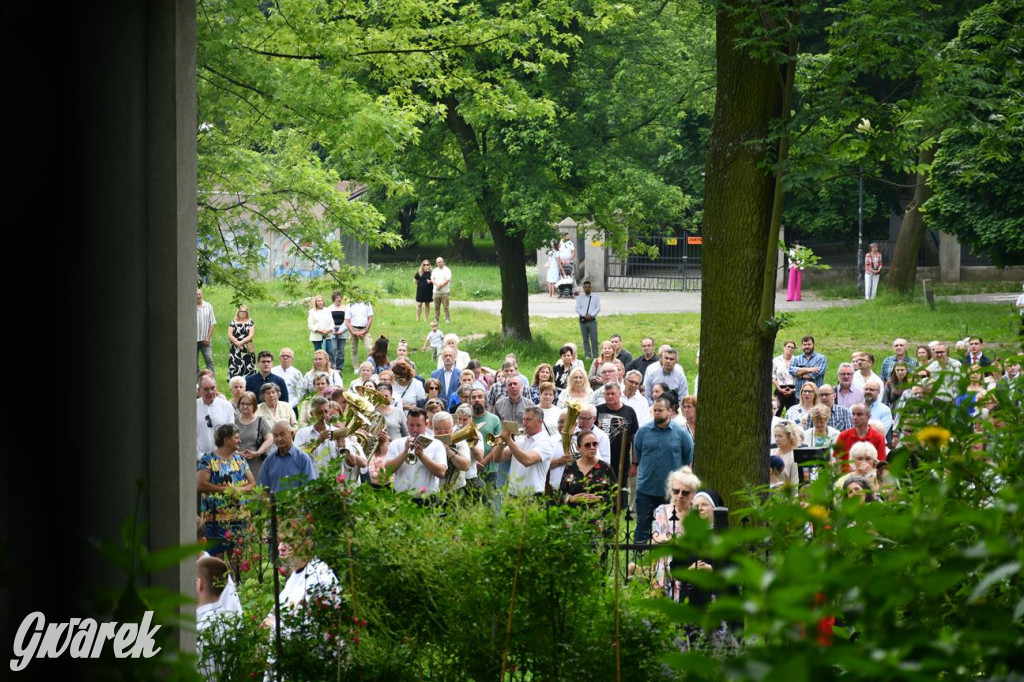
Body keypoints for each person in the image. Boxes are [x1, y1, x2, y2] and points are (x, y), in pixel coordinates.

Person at [633, 396, 693, 544]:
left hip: (670, 492)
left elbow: (688, 457)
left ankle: (665, 563)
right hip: (645, 488)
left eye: (660, 410)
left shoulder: (681, 433)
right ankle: (638, 560)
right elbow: (639, 453)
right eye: (655, 410)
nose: (657, 413)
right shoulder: (643, 432)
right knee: (642, 526)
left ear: (670, 411)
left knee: (669, 527)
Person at [197, 424, 256, 569]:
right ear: (226, 440)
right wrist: (225, 490)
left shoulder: (240, 460)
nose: (240, 440)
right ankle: (218, 586)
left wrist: (237, 490)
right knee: (216, 557)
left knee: (236, 555)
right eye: (236, 437)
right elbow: (200, 484)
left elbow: (253, 484)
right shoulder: (208, 459)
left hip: (238, 517)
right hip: (215, 518)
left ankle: (236, 585)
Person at [491, 406, 556, 497]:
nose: (524, 424)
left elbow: (528, 460)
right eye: (523, 419)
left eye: (528, 420)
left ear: (540, 421)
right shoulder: (520, 440)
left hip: (532, 496)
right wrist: (502, 442)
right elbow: (497, 459)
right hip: (512, 495)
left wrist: (509, 441)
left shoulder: (545, 442)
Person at [383, 407, 448, 499]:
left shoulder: (436, 444)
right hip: (402, 498)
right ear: (407, 424)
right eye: (411, 425)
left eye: (418, 425)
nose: (415, 429)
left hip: (428, 498)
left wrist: (422, 456)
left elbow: (441, 472)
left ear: (426, 424)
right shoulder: (396, 444)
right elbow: (388, 470)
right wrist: (405, 452)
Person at [559, 430, 617, 515]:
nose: (592, 447)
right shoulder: (570, 467)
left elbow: (615, 494)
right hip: (574, 519)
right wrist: (570, 498)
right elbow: (561, 494)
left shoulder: (605, 468)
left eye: (595, 444)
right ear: (579, 448)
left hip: (599, 518)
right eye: (587, 445)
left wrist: (599, 499)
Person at [256, 421, 317, 493]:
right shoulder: (268, 461)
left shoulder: (303, 459)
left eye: (282, 434)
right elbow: (262, 490)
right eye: (275, 435)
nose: (279, 439)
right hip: (274, 504)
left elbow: (310, 488)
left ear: (292, 434)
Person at [235, 391, 274, 482]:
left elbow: (269, 438)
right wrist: (237, 453)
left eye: (248, 404)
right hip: (237, 462)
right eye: (242, 403)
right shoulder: (233, 421)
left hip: (256, 462)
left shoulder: (260, 421)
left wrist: (258, 452)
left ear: (254, 406)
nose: (245, 406)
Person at [198, 375, 237, 460]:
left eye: (213, 388)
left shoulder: (226, 406)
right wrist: (200, 456)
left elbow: (230, 433)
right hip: (197, 459)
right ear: (199, 391)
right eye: (206, 389)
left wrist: (222, 455)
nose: (210, 392)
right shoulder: (192, 407)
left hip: (222, 459)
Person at [836, 403, 887, 468]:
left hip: (869, 476)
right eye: (853, 414)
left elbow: (880, 464)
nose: (855, 417)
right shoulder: (843, 436)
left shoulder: (878, 438)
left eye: (859, 414)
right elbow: (838, 462)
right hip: (847, 476)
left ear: (868, 417)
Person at [227, 304, 256, 381]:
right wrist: (237, 343)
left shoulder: (250, 322)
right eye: (241, 311)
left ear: (247, 313)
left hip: (247, 347)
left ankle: (248, 383)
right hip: (235, 348)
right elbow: (229, 334)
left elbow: (251, 335)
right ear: (238, 312)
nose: (243, 313)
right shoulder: (233, 322)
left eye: (244, 311)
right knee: (236, 365)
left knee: (248, 366)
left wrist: (241, 342)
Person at [271, 348, 305, 413]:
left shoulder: (297, 374)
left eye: (288, 356)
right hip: (274, 406)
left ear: (292, 359)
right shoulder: (273, 371)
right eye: (283, 356)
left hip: (291, 407)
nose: (285, 358)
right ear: (279, 358)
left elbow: (300, 393)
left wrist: (289, 405)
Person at [346, 299, 374, 371]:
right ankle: (356, 368)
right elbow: (347, 321)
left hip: (364, 329)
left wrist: (365, 330)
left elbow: (370, 318)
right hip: (353, 328)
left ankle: (369, 366)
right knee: (354, 349)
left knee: (370, 348)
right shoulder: (350, 304)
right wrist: (353, 332)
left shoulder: (367, 303)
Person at [575, 280, 601, 359]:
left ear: (591, 288)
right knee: (585, 339)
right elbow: (577, 308)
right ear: (583, 288)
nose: (587, 289)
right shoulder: (580, 298)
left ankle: (595, 355)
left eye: (588, 287)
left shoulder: (595, 297)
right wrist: (584, 315)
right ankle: (587, 355)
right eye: (585, 287)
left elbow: (598, 308)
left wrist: (591, 315)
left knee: (594, 339)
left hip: (592, 320)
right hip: (583, 321)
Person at [771, 421, 802, 485]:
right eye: (775, 436)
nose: (776, 439)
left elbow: (795, 483)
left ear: (789, 437)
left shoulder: (794, 457)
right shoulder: (771, 453)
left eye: (780, 436)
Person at [772, 340, 798, 415]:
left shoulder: (797, 360)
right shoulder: (776, 360)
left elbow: (799, 377)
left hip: (793, 389)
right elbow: (773, 377)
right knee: (776, 411)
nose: (790, 349)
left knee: (792, 413)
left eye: (792, 348)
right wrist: (780, 389)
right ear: (784, 347)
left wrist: (792, 390)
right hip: (780, 388)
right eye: (788, 347)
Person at [326, 291, 348, 372]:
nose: (339, 299)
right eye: (337, 298)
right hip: (333, 330)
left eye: (340, 297)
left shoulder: (345, 308)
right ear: (334, 299)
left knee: (341, 350)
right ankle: (333, 365)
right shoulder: (329, 308)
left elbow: (347, 320)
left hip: (342, 329)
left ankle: (339, 367)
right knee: (333, 348)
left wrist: (342, 329)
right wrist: (332, 328)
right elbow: (328, 320)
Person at [196, 288, 217, 374]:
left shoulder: (208, 306)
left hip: (205, 340)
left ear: (202, 295)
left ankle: (212, 380)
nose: (198, 296)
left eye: (199, 294)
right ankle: (196, 382)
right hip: (194, 340)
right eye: (196, 295)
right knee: (193, 362)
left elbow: (212, 323)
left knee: (209, 360)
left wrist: (208, 338)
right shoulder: (189, 307)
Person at [432, 256, 453, 323]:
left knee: (446, 307)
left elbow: (447, 280)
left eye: (440, 262)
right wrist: (437, 285)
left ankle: (447, 319)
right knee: (436, 307)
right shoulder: (435, 270)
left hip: (445, 292)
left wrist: (440, 285)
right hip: (436, 292)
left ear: (443, 262)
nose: (439, 263)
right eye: (437, 262)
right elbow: (432, 279)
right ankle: (436, 319)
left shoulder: (447, 270)